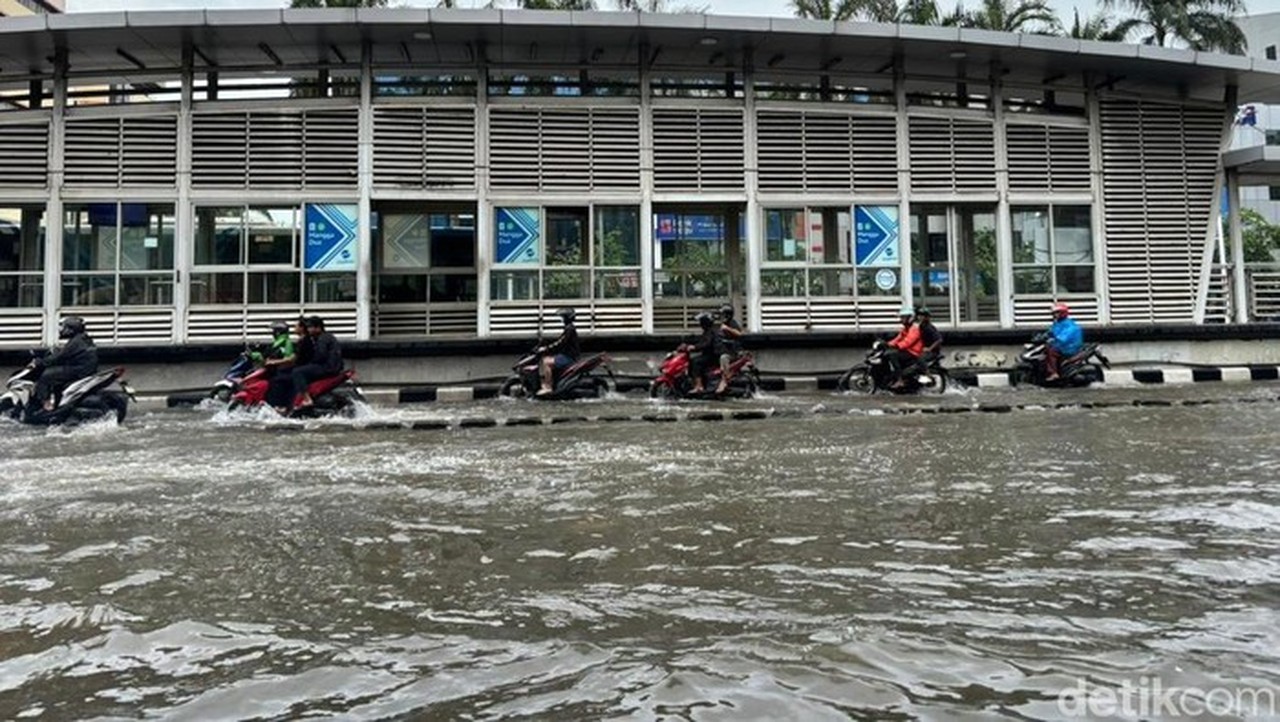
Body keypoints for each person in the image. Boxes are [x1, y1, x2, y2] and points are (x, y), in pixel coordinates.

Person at [33, 317, 99, 412]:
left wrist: (41, 362)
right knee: (57, 378)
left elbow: (60, 357)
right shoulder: (83, 338)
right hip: (86, 369)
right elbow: (67, 354)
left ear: (71, 329)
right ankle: (58, 403)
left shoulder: (75, 342)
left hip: (78, 370)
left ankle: (46, 404)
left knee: (46, 376)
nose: (62, 330)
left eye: (65, 328)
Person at [289, 316, 343, 409]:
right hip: (332, 367)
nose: (308, 330)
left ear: (318, 328)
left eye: (310, 327)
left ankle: (307, 399)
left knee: (297, 372)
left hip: (327, 368)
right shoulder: (326, 337)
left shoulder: (322, 339)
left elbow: (320, 356)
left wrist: (310, 363)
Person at [537, 308, 580, 396]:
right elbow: (560, 342)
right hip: (568, 355)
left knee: (546, 362)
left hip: (569, 357)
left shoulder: (569, 329)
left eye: (563, 317)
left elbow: (560, 343)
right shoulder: (569, 328)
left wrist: (546, 348)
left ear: (567, 318)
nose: (561, 319)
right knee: (548, 358)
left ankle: (548, 387)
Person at [885, 305, 923, 389]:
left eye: (903, 317)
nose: (901, 319)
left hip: (913, 352)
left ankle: (900, 380)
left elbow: (908, 341)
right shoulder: (906, 328)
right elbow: (898, 338)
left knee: (893, 355)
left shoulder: (914, 328)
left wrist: (898, 345)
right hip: (907, 350)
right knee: (887, 354)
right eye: (901, 317)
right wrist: (887, 344)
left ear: (910, 318)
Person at [1045, 302, 1083, 382]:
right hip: (1061, 345)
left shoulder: (1069, 325)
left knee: (1051, 351)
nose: (1055, 315)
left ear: (1063, 313)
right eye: (1054, 313)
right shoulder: (1057, 323)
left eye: (1057, 313)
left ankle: (1054, 373)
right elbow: (1050, 331)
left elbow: (1064, 337)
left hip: (1069, 347)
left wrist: (1055, 338)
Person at [688, 311, 721, 394]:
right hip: (709, 355)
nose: (700, 324)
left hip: (713, 356)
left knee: (696, 362)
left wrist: (695, 347)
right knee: (692, 361)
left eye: (702, 322)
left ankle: (699, 386)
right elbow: (701, 343)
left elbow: (706, 344)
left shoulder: (711, 332)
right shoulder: (707, 332)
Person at [716, 304, 744, 395]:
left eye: (723, 314)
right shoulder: (722, 324)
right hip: (724, 350)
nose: (721, 317)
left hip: (732, 352)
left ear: (728, 315)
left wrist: (727, 329)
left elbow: (739, 333)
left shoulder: (732, 323)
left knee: (724, 358)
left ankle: (724, 381)